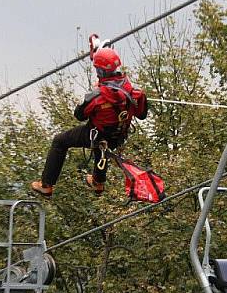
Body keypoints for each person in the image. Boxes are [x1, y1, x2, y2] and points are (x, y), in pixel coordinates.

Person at [31, 35, 148, 197]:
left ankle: (46, 184)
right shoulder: (134, 93)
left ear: (100, 71)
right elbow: (142, 114)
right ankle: (98, 182)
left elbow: (79, 115)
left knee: (60, 141)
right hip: (118, 136)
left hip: (97, 135)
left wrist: (93, 97)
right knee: (104, 144)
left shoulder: (96, 97)